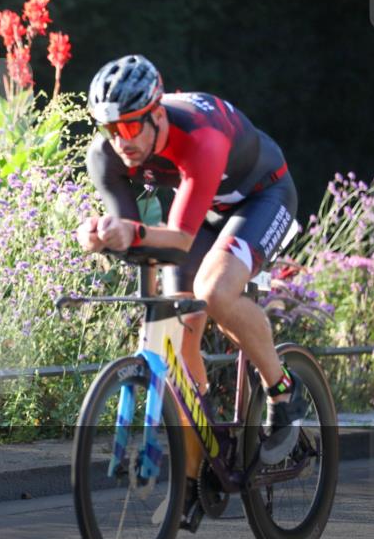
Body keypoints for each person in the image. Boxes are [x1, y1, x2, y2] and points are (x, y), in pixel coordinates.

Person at [77, 54, 304, 465]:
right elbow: (134, 235)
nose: (120, 141)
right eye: (109, 129)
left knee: (214, 292)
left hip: (262, 197)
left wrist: (130, 233)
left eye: (130, 127)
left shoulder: (201, 135)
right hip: (204, 209)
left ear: (157, 115)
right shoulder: (106, 155)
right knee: (176, 333)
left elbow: (179, 239)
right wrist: (99, 235)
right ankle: (206, 454)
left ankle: (283, 390)